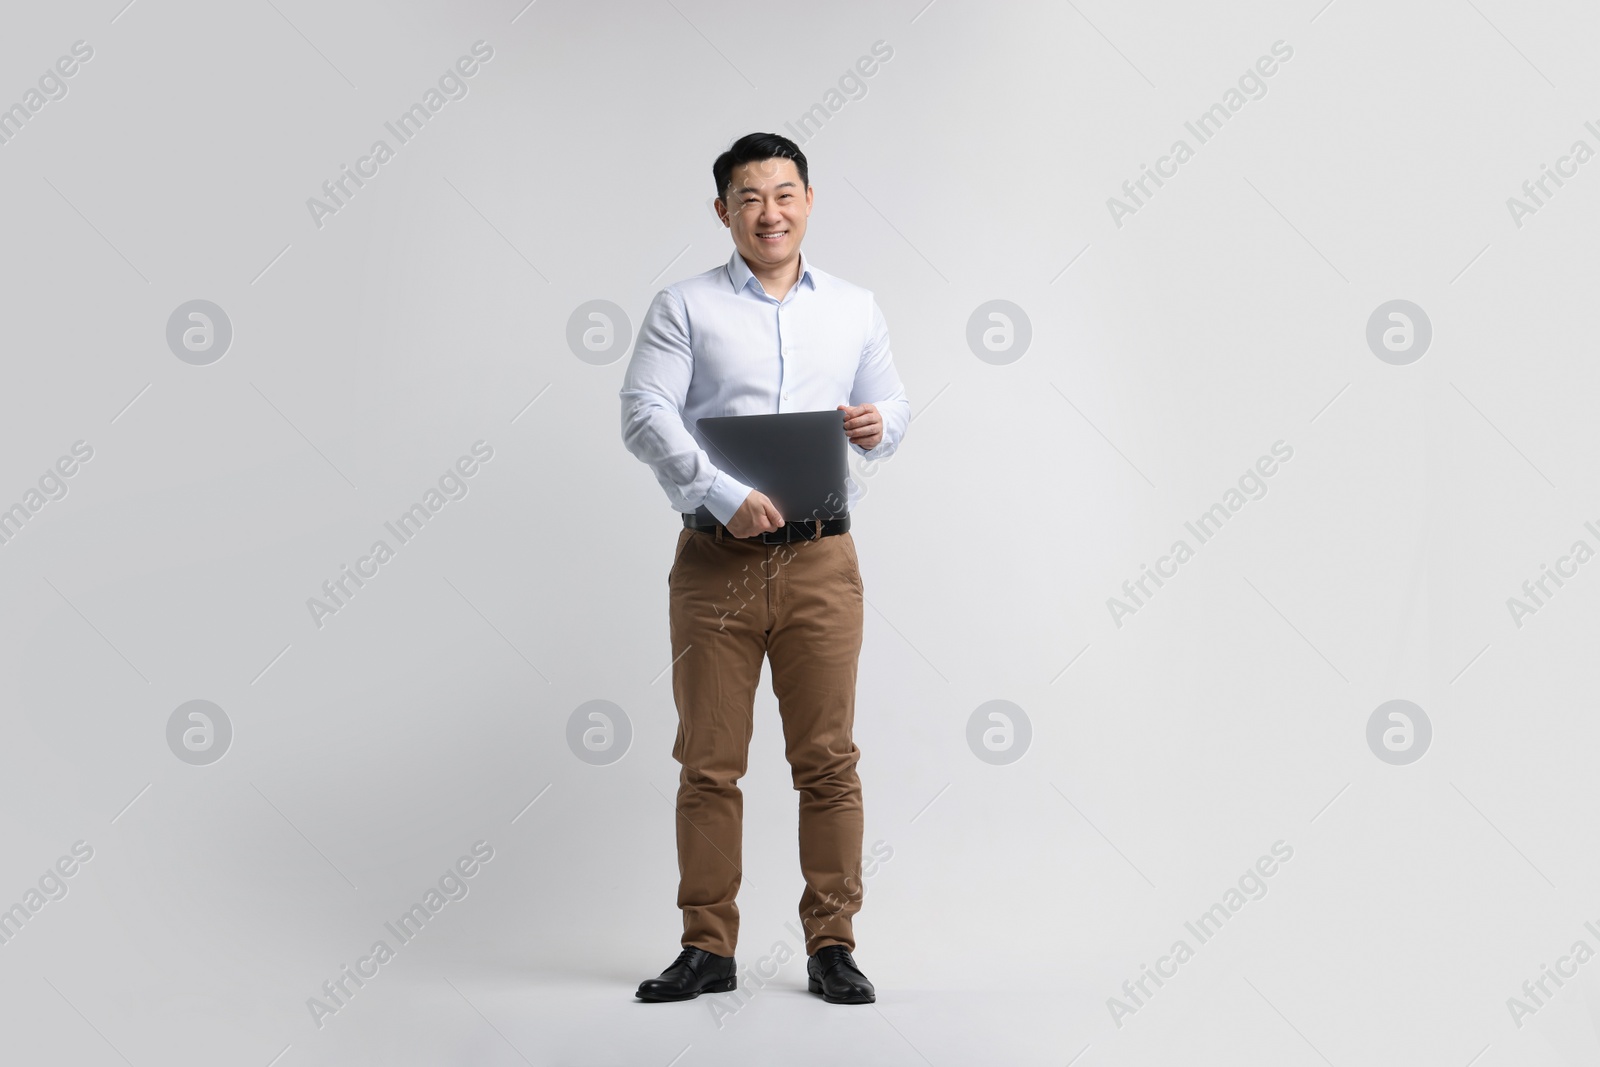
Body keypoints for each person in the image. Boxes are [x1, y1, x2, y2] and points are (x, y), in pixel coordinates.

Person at [620, 132, 909, 1005]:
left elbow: (893, 403)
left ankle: (833, 942)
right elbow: (642, 411)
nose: (770, 212)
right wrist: (717, 491)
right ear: (724, 212)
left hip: (823, 560)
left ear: (809, 201)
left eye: (785, 194)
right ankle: (708, 947)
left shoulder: (855, 307)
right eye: (750, 197)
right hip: (717, 564)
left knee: (827, 761)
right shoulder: (685, 306)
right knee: (708, 762)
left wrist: (878, 426)